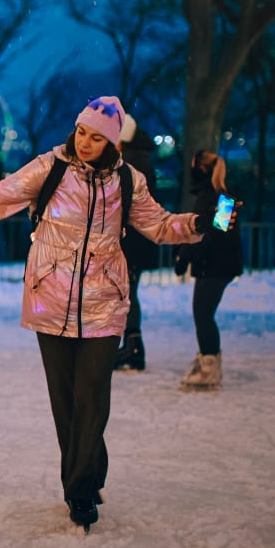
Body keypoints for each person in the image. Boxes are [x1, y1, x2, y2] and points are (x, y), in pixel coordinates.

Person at [0, 96, 212, 532]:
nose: (85, 142)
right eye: (81, 132)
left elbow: (161, 225)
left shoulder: (128, 180)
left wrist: (199, 225)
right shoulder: (51, 168)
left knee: (94, 396)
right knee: (66, 400)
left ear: (113, 141)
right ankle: (89, 469)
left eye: (96, 136)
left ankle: (79, 491)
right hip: (49, 296)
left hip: (105, 301)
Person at [173, 151, 244, 388]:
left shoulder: (212, 196)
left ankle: (209, 365)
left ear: (201, 169)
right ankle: (208, 359)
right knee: (203, 313)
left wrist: (186, 256)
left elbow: (209, 235)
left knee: (203, 314)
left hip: (214, 265)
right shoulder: (222, 195)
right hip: (218, 264)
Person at [114, 114, 159, 371]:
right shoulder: (138, 160)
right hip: (135, 240)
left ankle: (133, 346)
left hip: (132, 242)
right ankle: (131, 344)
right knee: (127, 292)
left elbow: (134, 207)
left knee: (127, 292)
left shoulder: (133, 164)